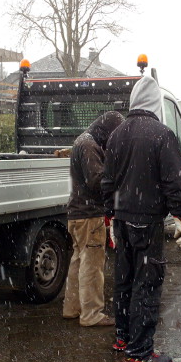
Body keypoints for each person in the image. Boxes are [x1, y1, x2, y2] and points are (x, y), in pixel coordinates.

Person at [101, 74, 181, 362]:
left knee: (124, 279)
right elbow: (174, 182)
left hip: (122, 219)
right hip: (147, 219)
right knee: (147, 282)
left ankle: (123, 336)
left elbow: (107, 180)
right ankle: (140, 351)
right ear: (154, 103)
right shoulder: (162, 135)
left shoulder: (117, 134)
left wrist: (109, 214)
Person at [63, 111, 124, 327]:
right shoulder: (89, 145)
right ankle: (92, 315)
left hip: (77, 213)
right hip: (89, 215)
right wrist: (118, 178)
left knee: (78, 261)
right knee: (93, 265)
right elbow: (96, 181)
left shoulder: (83, 140)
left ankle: (72, 308)